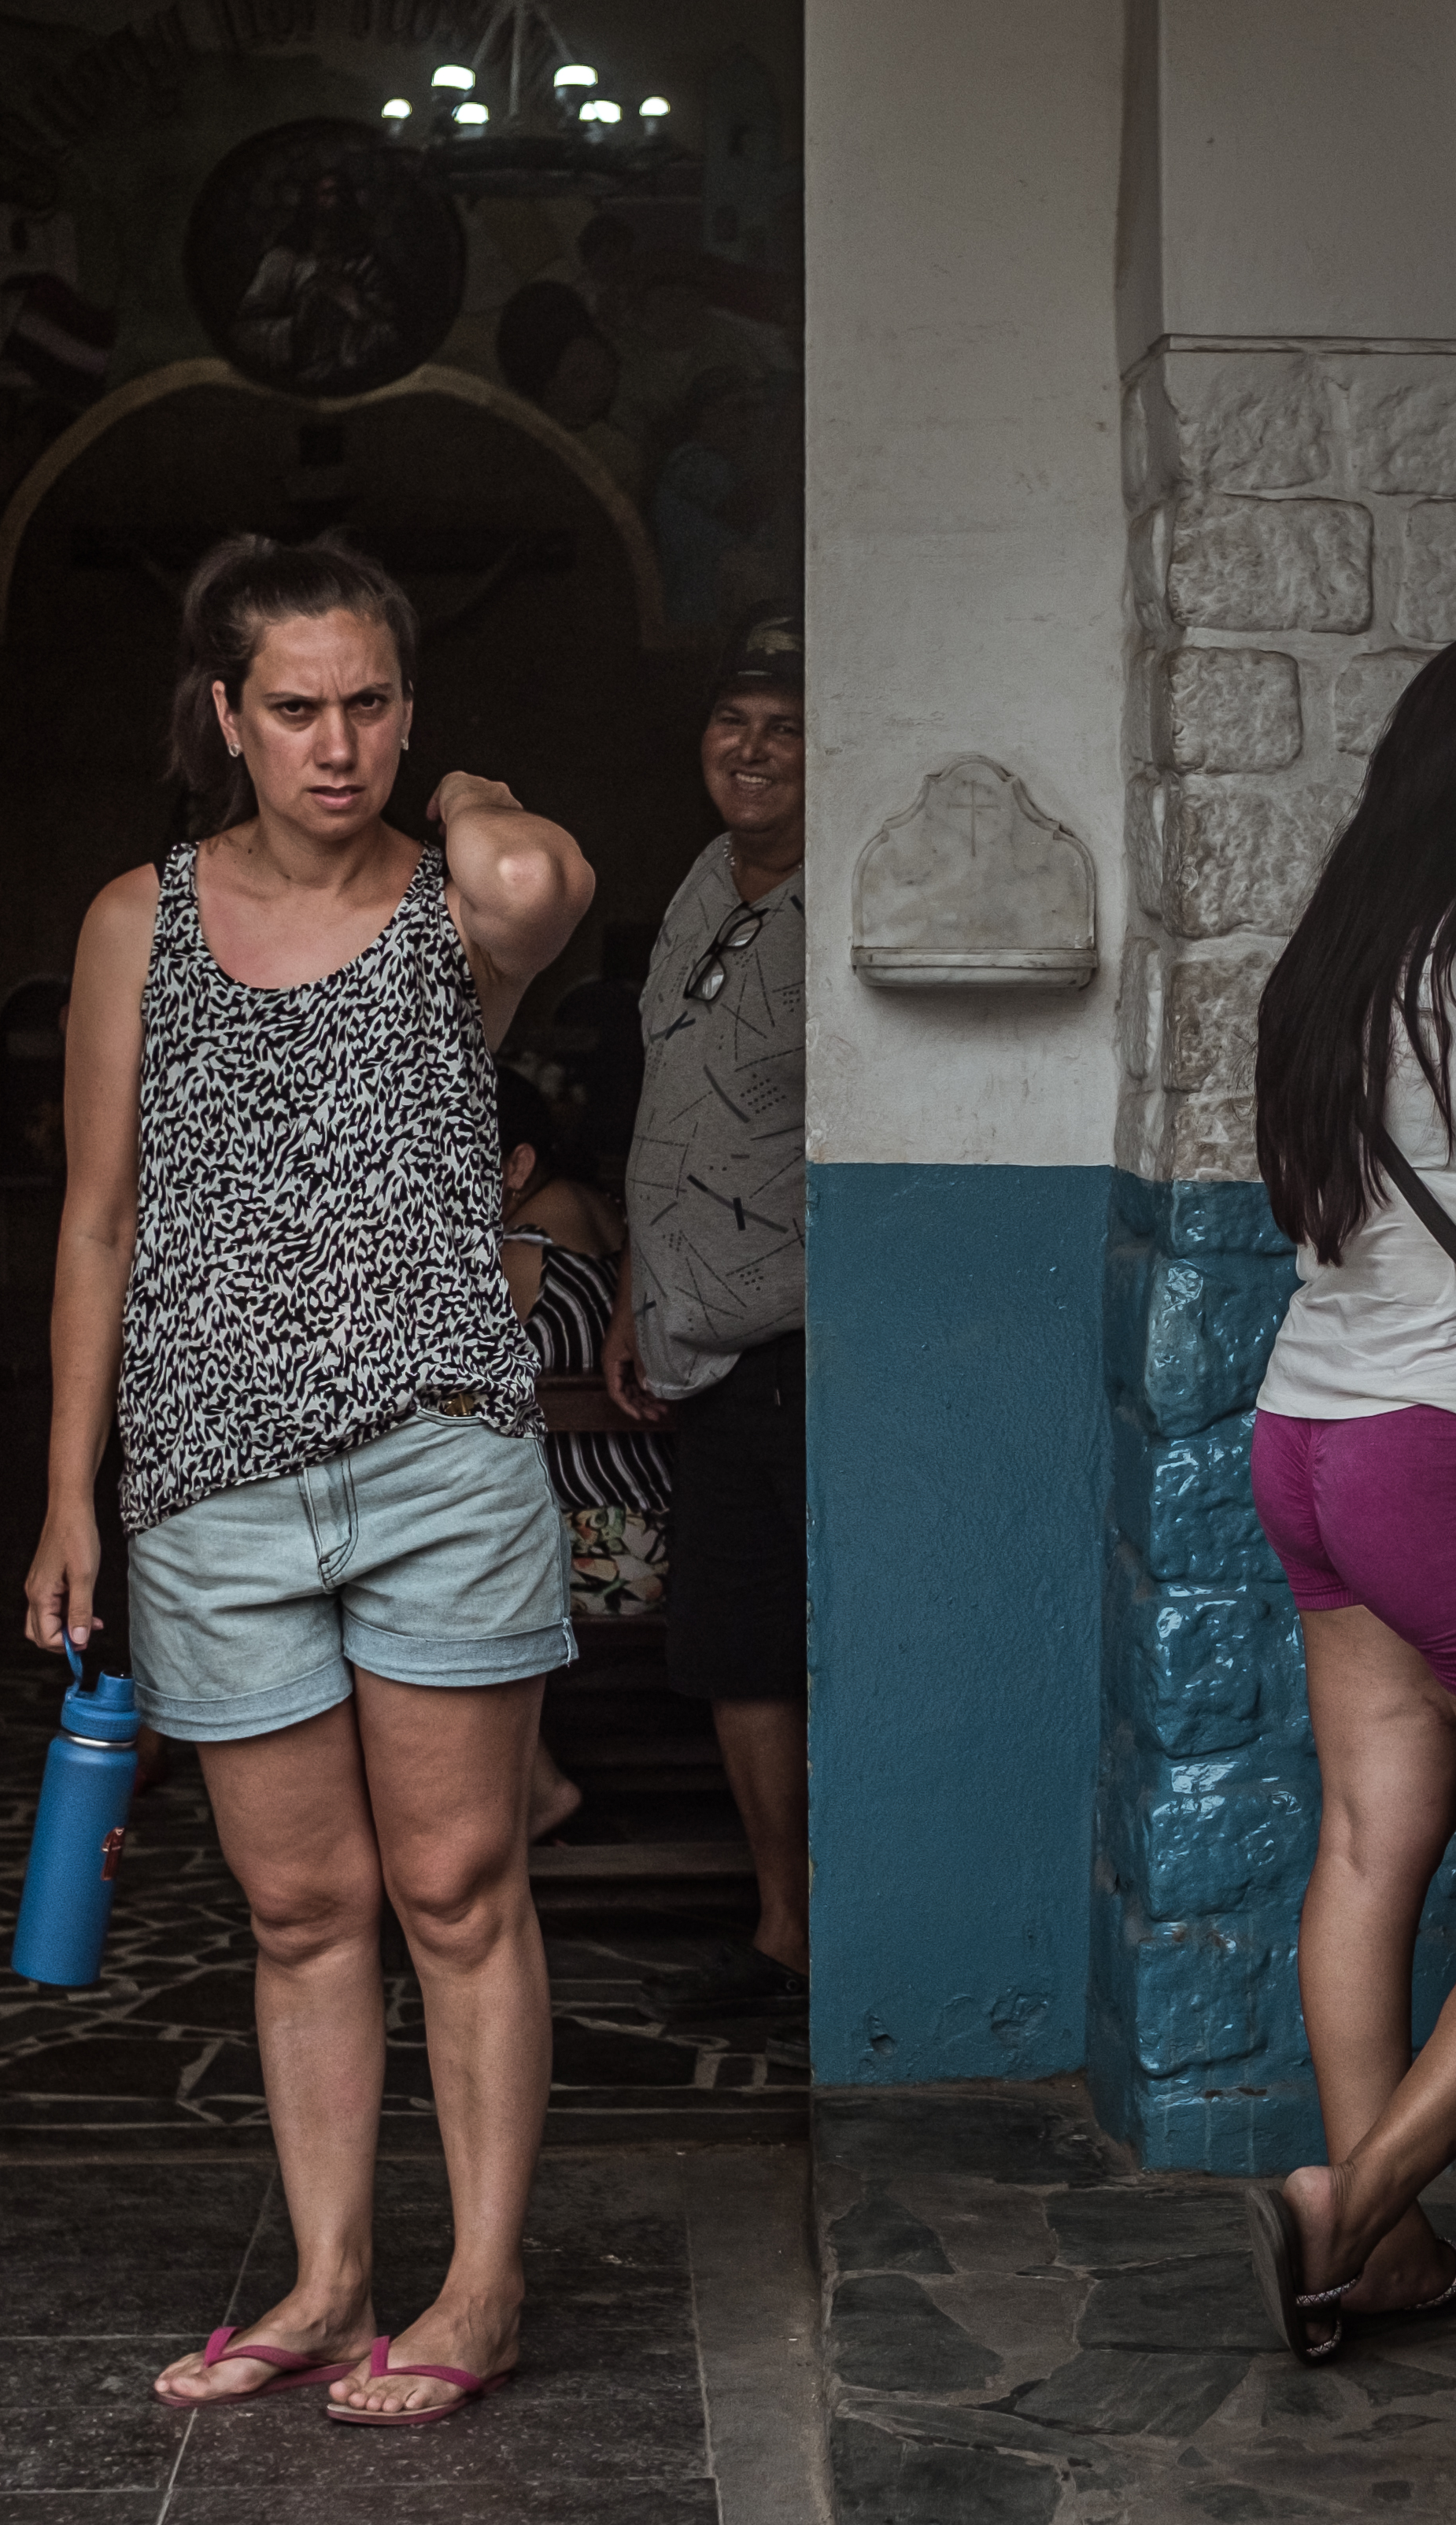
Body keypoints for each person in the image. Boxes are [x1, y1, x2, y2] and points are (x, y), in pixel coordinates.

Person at [24, 534, 594, 2427]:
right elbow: (98, 1221)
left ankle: (481, 2283)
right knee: (296, 1910)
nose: (330, 744)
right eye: (293, 708)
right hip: (208, 1481)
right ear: (223, 717)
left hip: (438, 1454)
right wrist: (65, 1493)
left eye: (367, 705)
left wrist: (464, 789)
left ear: (408, 716)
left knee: (458, 1880)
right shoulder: (138, 920)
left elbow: (537, 870)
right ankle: (334, 2270)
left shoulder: (460, 907)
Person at [1241, 622, 1456, 2364]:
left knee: (1364, 1846)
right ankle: (1352, 2209)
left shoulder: (1342, 954)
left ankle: (1393, 2239)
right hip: (1452, 1444)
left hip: (1308, 1434)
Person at [603, 614, 809, 1998]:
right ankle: (782, 1918)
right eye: (734, 719)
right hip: (698, 1342)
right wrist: (633, 1289)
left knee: (821, 1632)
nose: (754, 747)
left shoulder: (837, 900)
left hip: (806, 1334)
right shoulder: (694, 882)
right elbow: (666, 1114)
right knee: (737, 1641)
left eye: (786, 725)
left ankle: (848, 1919)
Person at [494, 1065, 671, 1836]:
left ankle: (534, 1786)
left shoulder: (522, 1246)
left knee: (412, 1571)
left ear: (518, 1165)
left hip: (602, 1547)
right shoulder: (602, 1218)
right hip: (662, 1531)